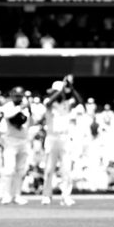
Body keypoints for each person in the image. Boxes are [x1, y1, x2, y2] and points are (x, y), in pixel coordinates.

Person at [42, 77, 82, 206]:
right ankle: (47, 196)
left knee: (66, 169)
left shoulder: (67, 103)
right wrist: (61, 90)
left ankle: (66, 196)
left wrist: (71, 88)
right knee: (49, 169)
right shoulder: (48, 101)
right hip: (51, 138)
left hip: (65, 138)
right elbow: (49, 103)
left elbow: (80, 102)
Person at [0, 86, 32, 205]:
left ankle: (17, 195)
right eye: (16, 96)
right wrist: (20, 108)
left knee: (21, 170)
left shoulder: (26, 106)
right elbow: (8, 115)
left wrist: (27, 108)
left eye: (20, 96)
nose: (18, 98)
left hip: (23, 140)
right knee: (9, 169)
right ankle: (6, 195)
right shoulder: (7, 106)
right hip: (11, 140)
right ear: (12, 95)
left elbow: (30, 121)